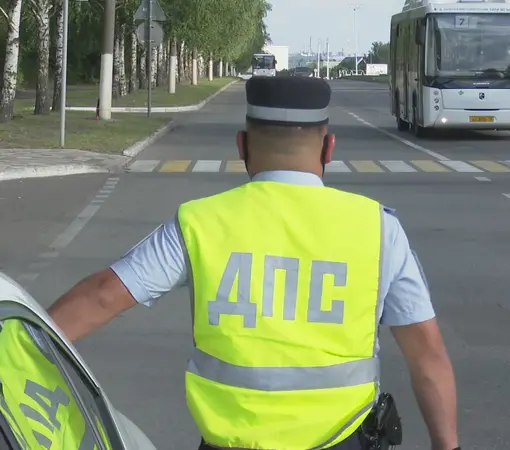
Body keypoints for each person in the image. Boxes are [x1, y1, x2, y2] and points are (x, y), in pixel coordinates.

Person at [46, 76, 459, 450]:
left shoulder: (198, 222)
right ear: (329, 148)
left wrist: (17, 342)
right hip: (344, 442)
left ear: (242, 146)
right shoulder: (377, 228)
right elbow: (427, 354)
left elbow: (103, 295)